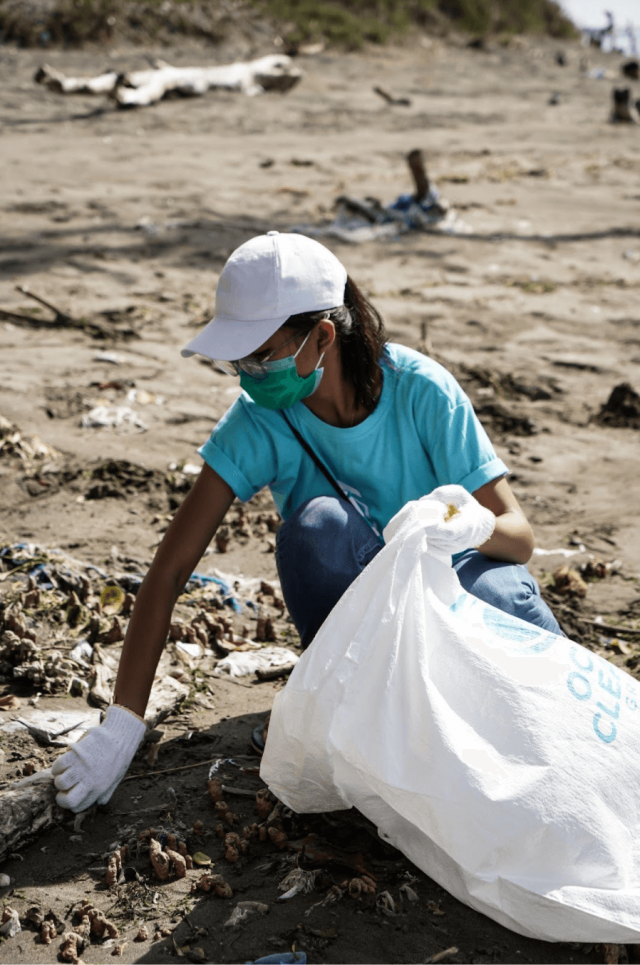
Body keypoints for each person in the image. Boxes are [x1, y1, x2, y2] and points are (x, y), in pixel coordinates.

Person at [52, 231, 562, 813]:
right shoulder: (260, 422)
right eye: (237, 360)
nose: (249, 374)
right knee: (317, 527)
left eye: (262, 356)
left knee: (501, 588)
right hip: (360, 645)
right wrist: (123, 725)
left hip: (454, 606)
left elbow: (518, 538)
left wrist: (462, 524)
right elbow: (168, 573)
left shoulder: (422, 392)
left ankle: (543, 723)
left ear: (322, 337)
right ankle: (355, 712)